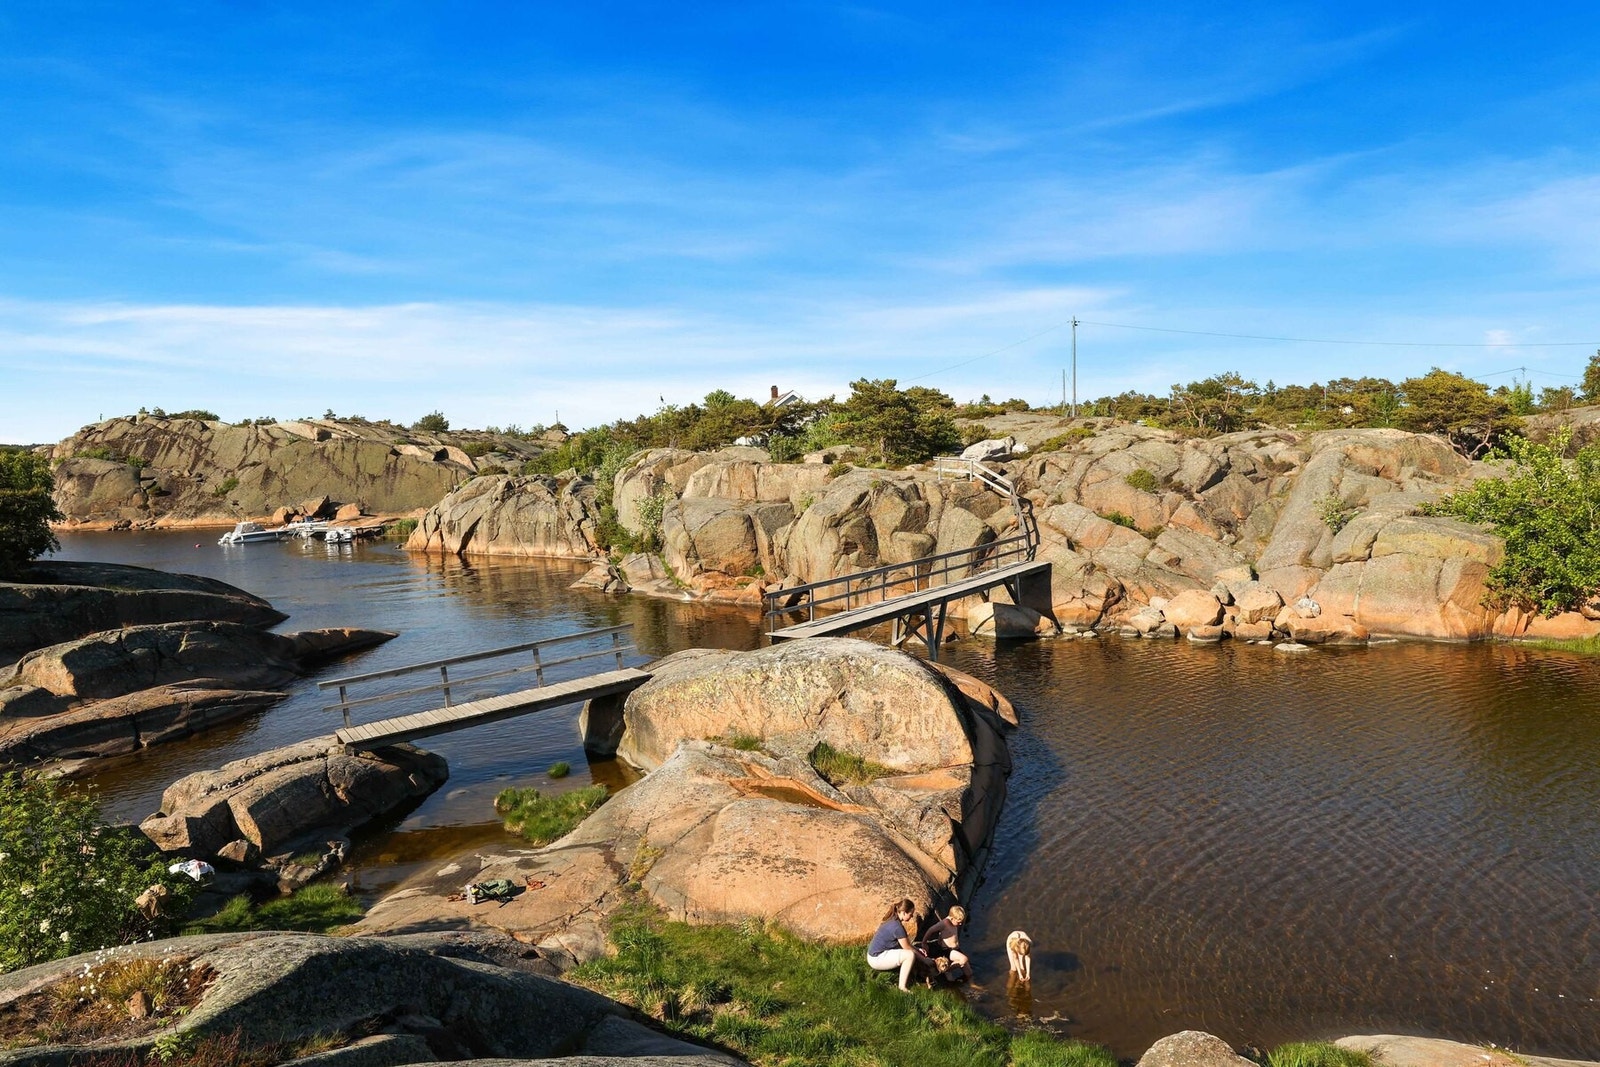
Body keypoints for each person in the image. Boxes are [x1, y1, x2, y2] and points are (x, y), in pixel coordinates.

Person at [867, 898, 926, 991]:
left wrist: (918, 950)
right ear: (904, 912)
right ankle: (902, 987)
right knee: (909, 955)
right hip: (876, 959)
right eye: (910, 914)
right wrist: (924, 959)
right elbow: (907, 948)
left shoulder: (892, 919)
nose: (911, 917)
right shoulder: (897, 927)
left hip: (872, 955)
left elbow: (905, 944)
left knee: (912, 951)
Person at [918, 905, 969, 979]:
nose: (960, 924)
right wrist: (924, 942)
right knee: (964, 959)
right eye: (959, 922)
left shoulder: (954, 922)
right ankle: (946, 969)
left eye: (961, 922)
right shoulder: (944, 923)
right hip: (948, 950)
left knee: (969, 972)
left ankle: (970, 982)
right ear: (952, 918)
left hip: (956, 949)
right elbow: (931, 930)